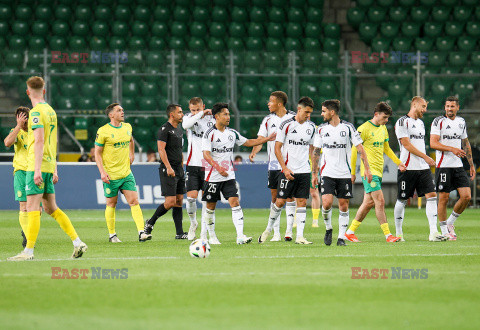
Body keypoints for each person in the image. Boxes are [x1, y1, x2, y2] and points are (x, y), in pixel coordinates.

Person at [8, 76, 87, 261]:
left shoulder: (35, 113)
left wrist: (36, 170)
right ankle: (77, 242)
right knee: (51, 208)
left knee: (32, 208)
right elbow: (54, 141)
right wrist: (54, 168)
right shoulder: (51, 111)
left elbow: (40, 141)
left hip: (37, 166)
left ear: (28, 92)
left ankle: (28, 252)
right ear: (44, 90)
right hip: (49, 164)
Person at [202, 102, 275, 244]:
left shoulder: (232, 133)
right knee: (210, 208)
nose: (228, 116)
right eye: (225, 114)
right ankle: (212, 236)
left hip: (229, 176)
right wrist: (218, 168)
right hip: (213, 176)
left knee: (235, 203)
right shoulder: (209, 134)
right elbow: (206, 155)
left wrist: (266, 139)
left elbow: (248, 142)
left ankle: (240, 236)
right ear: (216, 116)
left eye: (229, 114)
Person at [311, 99, 371, 246]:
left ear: (332, 112)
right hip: (327, 172)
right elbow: (316, 152)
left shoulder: (348, 127)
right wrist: (314, 173)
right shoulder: (321, 129)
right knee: (327, 203)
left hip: (344, 173)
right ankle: (328, 228)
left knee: (343, 205)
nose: (322, 113)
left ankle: (341, 238)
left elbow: (360, 149)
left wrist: (367, 169)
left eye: (324, 111)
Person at [344, 102, 406, 243]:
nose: (386, 120)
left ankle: (350, 232)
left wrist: (398, 163)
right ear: (376, 114)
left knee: (368, 203)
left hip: (378, 171)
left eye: (388, 118)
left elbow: (387, 149)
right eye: (384, 117)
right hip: (369, 172)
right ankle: (388, 235)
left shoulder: (383, 128)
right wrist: (352, 172)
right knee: (380, 201)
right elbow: (355, 151)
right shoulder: (363, 129)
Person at [258, 97, 316, 245]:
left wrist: (314, 171)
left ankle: (300, 236)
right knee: (280, 201)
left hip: (304, 170)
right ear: (299, 109)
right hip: (288, 170)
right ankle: (269, 229)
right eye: (306, 112)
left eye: (310, 113)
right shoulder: (286, 125)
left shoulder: (312, 127)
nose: (308, 115)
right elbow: (277, 148)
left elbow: (312, 150)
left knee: (302, 202)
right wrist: (284, 168)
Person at [94, 103, 150, 243]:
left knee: (134, 201)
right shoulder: (103, 131)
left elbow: (131, 140)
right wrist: (102, 172)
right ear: (111, 115)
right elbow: (97, 153)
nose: (122, 112)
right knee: (111, 204)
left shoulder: (127, 127)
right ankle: (112, 235)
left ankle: (141, 232)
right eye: (119, 110)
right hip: (111, 175)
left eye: (123, 110)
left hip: (126, 173)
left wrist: (132, 154)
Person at [394, 96, 446, 242]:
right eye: (423, 106)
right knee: (402, 199)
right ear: (414, 105)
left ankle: (433, 233)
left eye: (425, 107)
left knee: (432, 196)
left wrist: (424, 160)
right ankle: (399, 234)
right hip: (407, 167)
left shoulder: (421, 124)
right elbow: (407, 145)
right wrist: (426, 157)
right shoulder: (402, 122)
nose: (425, 110)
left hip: (423, 169)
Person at [249, 91, 296, 242]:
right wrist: (254, 151)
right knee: (275, 197)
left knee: (289, 196)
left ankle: (289, 231)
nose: (268, 104)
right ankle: (276, 233)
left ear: (280, 103)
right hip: (274, 165)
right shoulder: (268, 119)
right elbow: (261, 138)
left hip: (289, 164)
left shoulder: (293, 118)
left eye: (271, 101)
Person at [430, 96, 475, 240]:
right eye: (447, 106)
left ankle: (450, 223)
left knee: (466, 196)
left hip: (458, 166)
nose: (450, 109)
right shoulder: (438, 122)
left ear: (458, 108)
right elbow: (433, 143)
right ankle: (443, 231)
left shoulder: (461, 122)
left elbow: (465, 143)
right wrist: (452, 149)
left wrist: (471, 164)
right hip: (443, 165)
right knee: (444, 197)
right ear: (444, 107)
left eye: (452, 106)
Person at [144, 104, 187, 239]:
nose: (182, 114)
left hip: (179, 169)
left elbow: (179, 151)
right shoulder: (165, 129)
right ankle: (150, 223)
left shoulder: (179, 130)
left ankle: (179, 233)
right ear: (172, 114)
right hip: (168, 169)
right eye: (180, 112)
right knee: (170, 202)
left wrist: (181, 165)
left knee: (179, 200)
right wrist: (168, 167)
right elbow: (161, 149)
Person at [182, 97, 220, 243]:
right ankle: (193, 224)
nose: (195, 112)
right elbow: (186, 126)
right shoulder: (189, 118)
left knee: (206, 200)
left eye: (198, 109)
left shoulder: (212, 119)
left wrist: (207, 114)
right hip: (192, 164)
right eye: (193, 110)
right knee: (191, 198)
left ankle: (205, 234)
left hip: (208, 165)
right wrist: (200, 114)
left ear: (203, 106)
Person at [4, 106, 30, 247]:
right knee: (23, 205)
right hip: (20, 172)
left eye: (26, 119)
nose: (24, 123)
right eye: (21, 119)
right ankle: (27, 235)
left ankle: (27, 229)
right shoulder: (15, 132)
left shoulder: (35, 132)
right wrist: (18, 127)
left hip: (34, 172)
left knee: (37, 210)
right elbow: (7, 143)